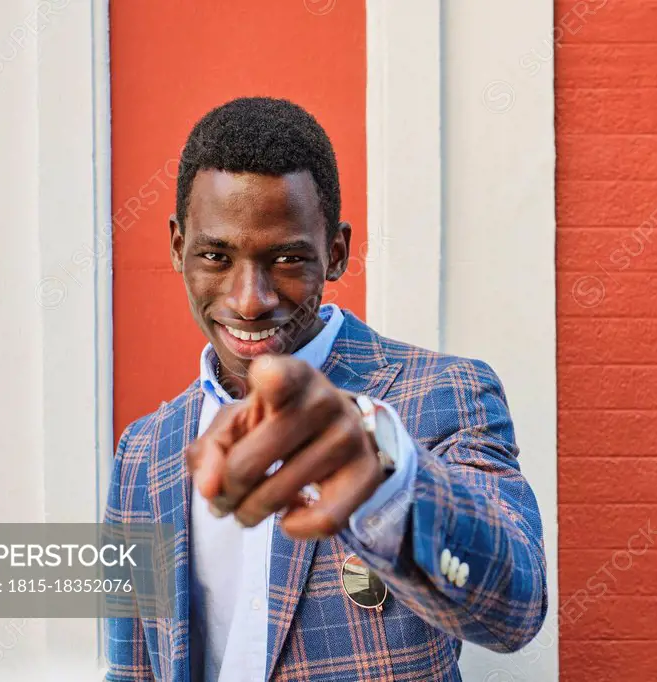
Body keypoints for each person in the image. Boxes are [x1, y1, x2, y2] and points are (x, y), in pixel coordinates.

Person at [104, 96, 547, 682]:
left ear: (335, 252)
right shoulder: (142, 453)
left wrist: (386, 471)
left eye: (286, 259)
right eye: (215, 256)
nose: (249, 299)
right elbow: (133, 669)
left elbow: (513, 610)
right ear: (177, 246)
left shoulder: (442, 394)